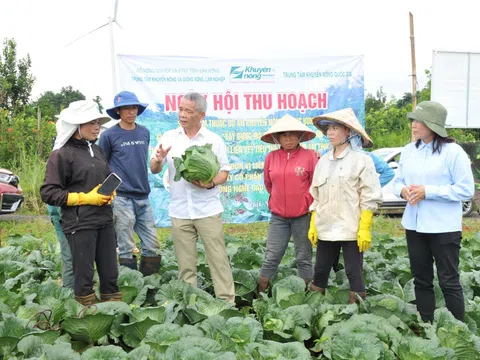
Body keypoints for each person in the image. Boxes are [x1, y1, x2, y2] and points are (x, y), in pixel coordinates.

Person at [393, 101, 475, 322]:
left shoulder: (453, 152)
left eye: (420, 121)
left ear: (434, 125)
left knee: (449, 281)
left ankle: (458, 330)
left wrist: (428, 192)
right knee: (421, 279)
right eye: (413, 120)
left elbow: (466, 189)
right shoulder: (409, 151)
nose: (414, 125)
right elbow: (397, 180)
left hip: (444, 228)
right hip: (414, 225)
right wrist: (402, 190)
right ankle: (426, 325)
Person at [150, 92, 235, 303]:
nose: (182, 114)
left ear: (201, 114)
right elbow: (153, 168)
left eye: (188, 111)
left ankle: (226, 303)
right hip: (179, 210)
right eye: (180, 109)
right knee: (185, 264)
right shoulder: (168, 138)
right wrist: (159, 160)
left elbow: (224, 172)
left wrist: (211, 183)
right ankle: (189, 305)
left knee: (218, 259)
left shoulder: (214, 140)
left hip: (207, 209)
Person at [40, 100, 121, 306]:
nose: (97, 127)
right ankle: (85, 324)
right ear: (77, 126)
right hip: (79, 224)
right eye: (91, 122)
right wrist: (85, 198)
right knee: (84, 279)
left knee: (111, 276)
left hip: (104, 220)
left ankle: (112, 321)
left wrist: (108, 193)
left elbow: (103, 179)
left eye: (98, 122)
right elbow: (49, 193)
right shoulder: (61, 154)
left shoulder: (98, 150)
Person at [308, 108, 382, 303]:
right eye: (328, 129)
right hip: (326, 226)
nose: (329, 133)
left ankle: (357, 312)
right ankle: (314, 309)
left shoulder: (362, 160)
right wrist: (313, 223)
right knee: (321, 270)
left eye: (335, 128)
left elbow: (369, 196)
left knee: (353, 271)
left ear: (348, 131)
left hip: (351, 227)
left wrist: (364, 227)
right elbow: (316, 196)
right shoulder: (323, 161)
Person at [99, 91, 161, 276]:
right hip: (121, 198)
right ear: (118, 111)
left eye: (134, 107)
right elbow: (103, 166)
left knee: (152, 244)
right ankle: (129, 284)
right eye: (126, 108)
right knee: (125, 246)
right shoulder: (109, 135)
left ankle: (150, 283)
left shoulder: (144, 132)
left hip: (143, 196)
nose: (131, 111)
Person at [257, 114, 318, 293]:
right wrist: (278, 199)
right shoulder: (271, 157)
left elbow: (316, 186)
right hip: (278, 218)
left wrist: (304, 202)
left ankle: (308, 296)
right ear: (277, 138)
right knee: (272, 256)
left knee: (303, 257)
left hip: (303, 217)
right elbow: (268, 184)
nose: (288, 138)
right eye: (284, 134)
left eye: (292, 134)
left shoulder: (310, 156)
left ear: (299, 136)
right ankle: (260, 295)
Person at [319, 139, 394, 273]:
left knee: (351, 247)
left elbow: (388, 173)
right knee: (330, 246)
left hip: (353, 208)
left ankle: (354, 286)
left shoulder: (366, 157)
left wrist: (366, 189)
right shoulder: (328, 154)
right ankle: (334, 276)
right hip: (331, 209)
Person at [46, 204, 74, 289]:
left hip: (59, 215)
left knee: (68, 256)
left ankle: (70, 290)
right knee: (70, 256)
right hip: (65, 217)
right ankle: (70, 292)